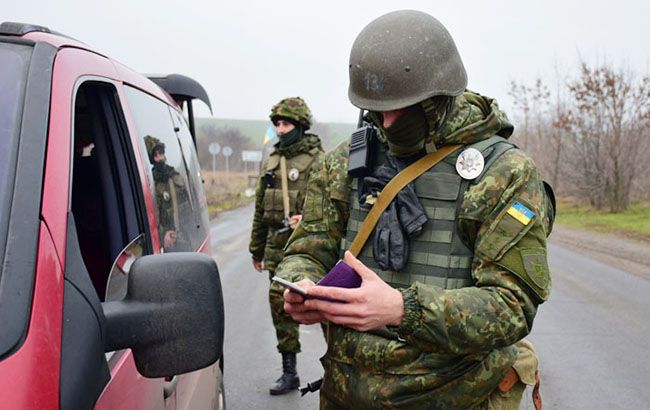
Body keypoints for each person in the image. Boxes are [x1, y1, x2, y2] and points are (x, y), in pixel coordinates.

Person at [276, 10, 555, 409]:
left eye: (402, 109)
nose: (386, 123)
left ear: (438, 96)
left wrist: (402, 309)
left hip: (457, 396)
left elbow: (511, 306)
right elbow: (308, 248)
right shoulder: (344, 164)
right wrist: (300, 284)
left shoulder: (503, 173)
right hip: (346, 394)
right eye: (377, 110)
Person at [248, 97, 324, 395]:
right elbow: (259, 208)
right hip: (275, 246)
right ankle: (289, 371)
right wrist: (257, 249)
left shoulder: (318, 159)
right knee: (282, 306)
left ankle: (335, 369)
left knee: (323, 307)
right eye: (277, 124)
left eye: (286, 124)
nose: (280, 130)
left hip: (310, 246)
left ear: (300, 126)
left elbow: (332, 205)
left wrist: (306, 218)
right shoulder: (271, 160)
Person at [144, 135, 191, 252]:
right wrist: (165, 232)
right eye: (156, 155)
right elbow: (155, 212)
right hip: (166, 237)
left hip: (185, 232)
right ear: (152, 159)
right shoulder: (151, 181)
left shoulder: (175, 175)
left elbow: (188, 201)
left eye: (161, 153)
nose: (160, 157)